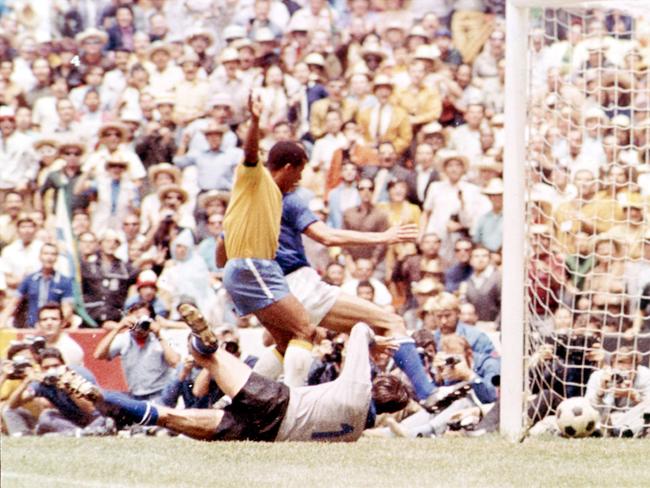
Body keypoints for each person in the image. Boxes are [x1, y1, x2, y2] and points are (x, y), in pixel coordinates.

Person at [71, 323, 410, 442]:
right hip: (266, 435)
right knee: (167, 417)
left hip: (277, 401)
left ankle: (205, 346)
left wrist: (376, 344)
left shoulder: (358, 388)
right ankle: (99, 395)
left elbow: (359, 329)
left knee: (211, 358)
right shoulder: (353, 435)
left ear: (376, 385)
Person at [93, 302, 179, 402]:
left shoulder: (161, 337)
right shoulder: (125, 338)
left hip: (159, 392)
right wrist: (118, 327)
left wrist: (158, 335)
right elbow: (98, 355)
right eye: (136, 319)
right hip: (136, 394)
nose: (139, 327)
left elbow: (174, 362)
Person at [0, 243, 74, 328]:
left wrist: (60, 325)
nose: (49, 257)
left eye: (53, 254)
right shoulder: (30, 279)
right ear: (40, 256)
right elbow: (14, 303)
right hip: (32, 327)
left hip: (53, 328)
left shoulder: (64, 281)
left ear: (57, 258)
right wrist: (3, 321)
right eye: (46, 254)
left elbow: (67, 309)